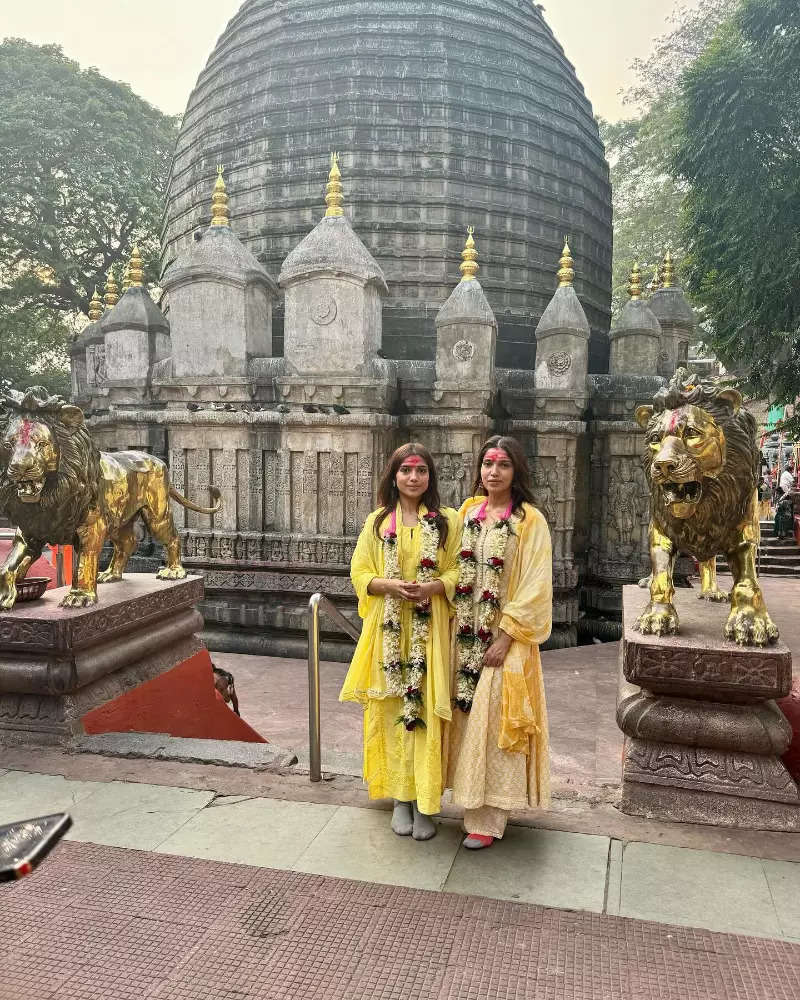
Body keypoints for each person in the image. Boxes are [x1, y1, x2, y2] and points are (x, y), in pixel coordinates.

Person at [340, 443, 460, 840]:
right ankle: (399, 799)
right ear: (394, 476)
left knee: (424, 711)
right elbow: (359, 573)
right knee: (390, 709)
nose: (413, 478)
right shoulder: (378, 523)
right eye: (406, 470)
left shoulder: (446, 522)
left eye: (421, 470)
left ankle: (426, 802)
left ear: (430, 477)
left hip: (429, 632)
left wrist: (434, 586)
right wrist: (388, 585)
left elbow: (461, 569)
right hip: (387, 633)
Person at [444, 435, 553, 849]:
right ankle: (468, 800)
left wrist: (505, 636)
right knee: (467, 721)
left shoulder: (529, 521)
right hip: (464, 633)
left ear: (516, 471)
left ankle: (489, 818)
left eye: (503, 464)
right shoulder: (469, 513)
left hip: (507, 638)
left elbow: (536, 586)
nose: (493, 471)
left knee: (496, 724)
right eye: (487, 463)